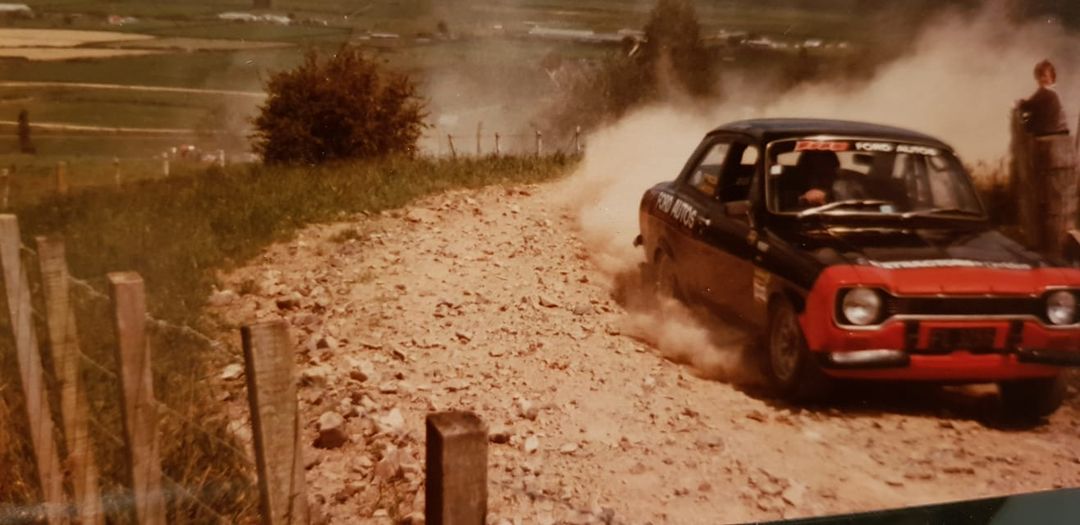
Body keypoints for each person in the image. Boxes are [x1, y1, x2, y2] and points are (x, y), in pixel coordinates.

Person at [1017, 59, 1069, 137]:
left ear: (1052, 77)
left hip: (1046, 131)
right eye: (1039, 76)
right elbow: (1033, 104)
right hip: (1050, 129)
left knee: (1021, 123)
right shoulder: (1050, 92)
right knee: (1025, 119)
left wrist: (1020, 103)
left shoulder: (1046, 93)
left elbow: (1028, 105)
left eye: (1044, 76)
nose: (1042, 79)